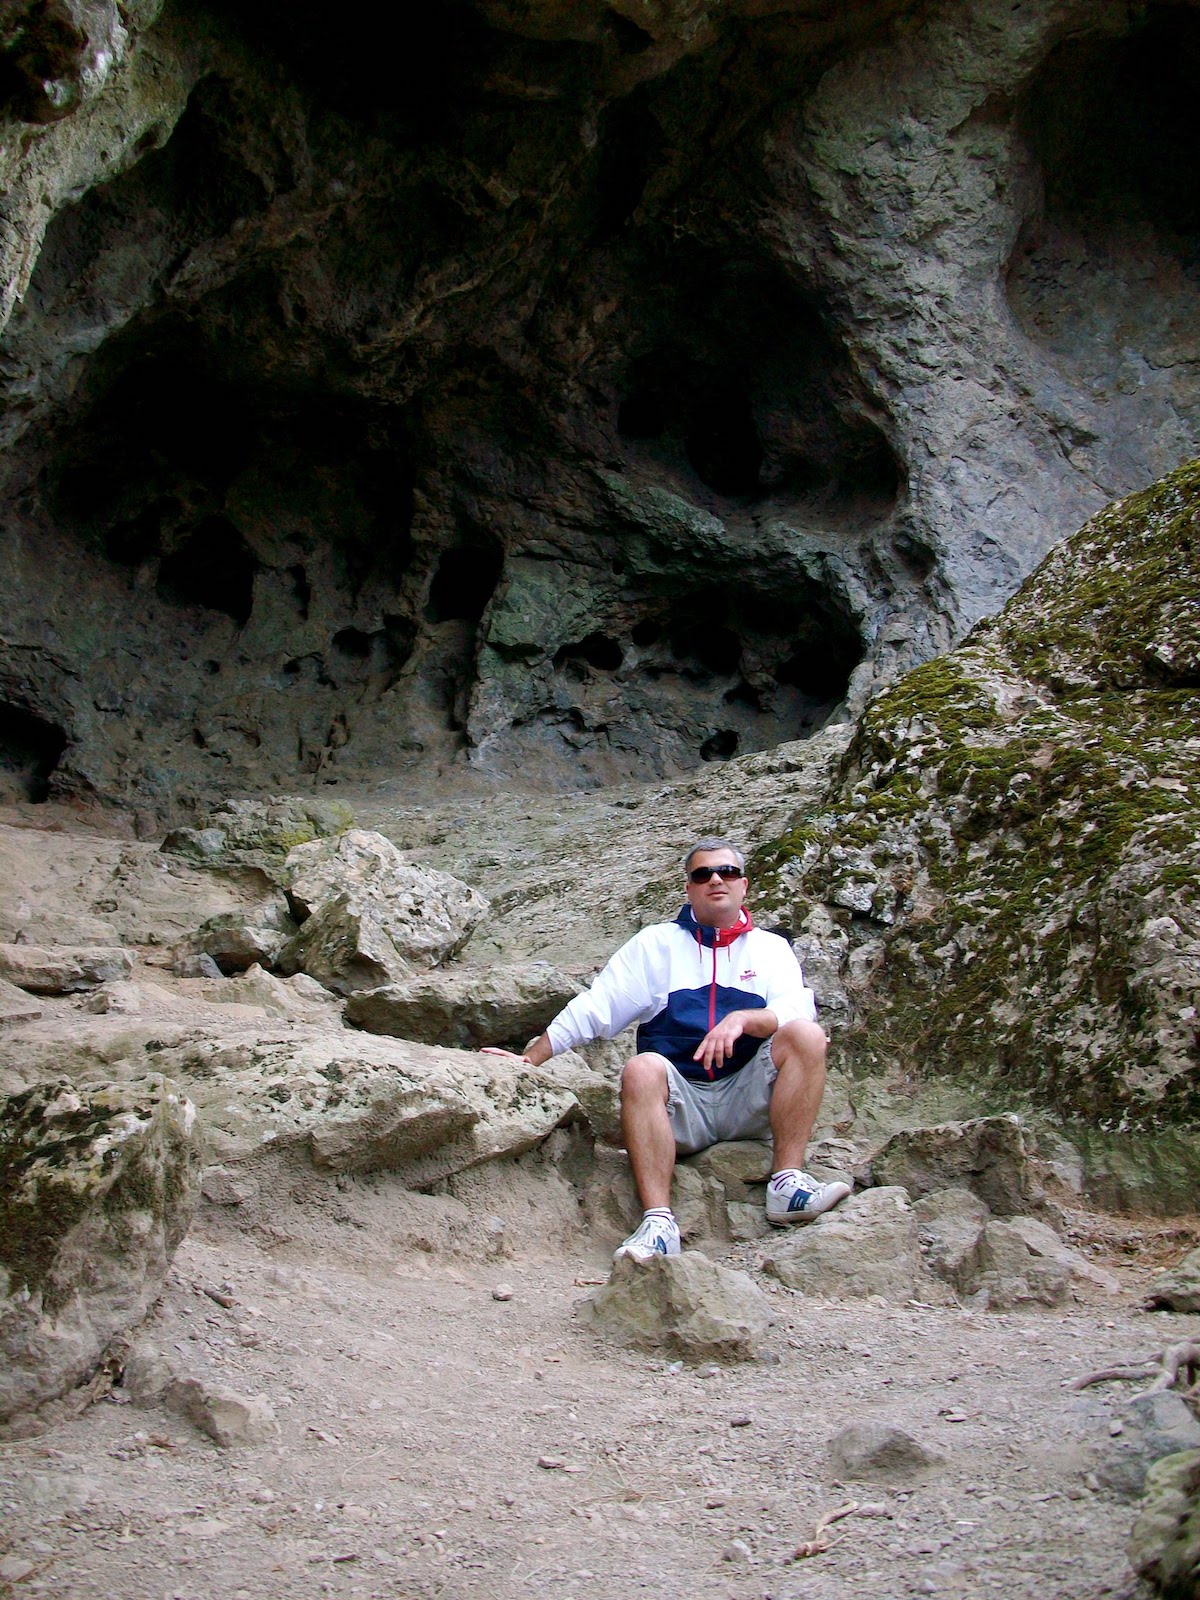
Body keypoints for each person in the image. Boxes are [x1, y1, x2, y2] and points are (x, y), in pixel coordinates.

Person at [484, 837, 850, 1261]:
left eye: (727, 872)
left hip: (747, 1099)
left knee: (806, 1034)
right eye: (703, 874)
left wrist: (744, 1019)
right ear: (689, 888)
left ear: (744, 885)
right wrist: (532, 1058)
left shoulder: (770, 948)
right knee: (640, 1068)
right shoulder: (655, 945)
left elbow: (795, 1008)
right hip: (681, 1107)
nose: (716, 879)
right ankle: (658, 1222)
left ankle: (787, 1184)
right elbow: (598, 1006)